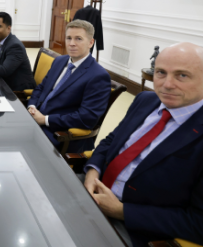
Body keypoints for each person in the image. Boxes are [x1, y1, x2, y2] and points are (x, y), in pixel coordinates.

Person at [83, 42, 203, 246]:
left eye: (182, 75)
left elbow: (198, 223)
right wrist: (92, 172)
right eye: (161, 72)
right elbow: (112, 140)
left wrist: (122, 212)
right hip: (90, 192)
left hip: (136, 230)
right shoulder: (145, 100)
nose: (166, 84)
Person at [27, 20, 111, 152]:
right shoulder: (60, 61)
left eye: (78, 39)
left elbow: (86, 117)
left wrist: (45, 120)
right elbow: (41, 88)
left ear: (91, 42)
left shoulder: (98, 76)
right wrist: (32, 106)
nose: (72, 43)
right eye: (68, 38)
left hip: (60, 135)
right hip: (36, 119)